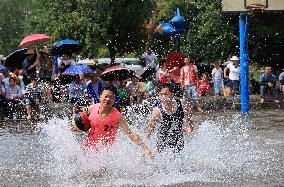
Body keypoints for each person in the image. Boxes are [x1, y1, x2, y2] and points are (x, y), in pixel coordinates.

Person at [71, 85, 154, 158]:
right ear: (100, 96)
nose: (108, 99)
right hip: (88, 148)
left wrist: (146, 149)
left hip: (104, 154)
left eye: (112, 97)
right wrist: (73, 126)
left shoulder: (118, 116)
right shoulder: (92, 108)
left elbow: (131, 134)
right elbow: (80, 118)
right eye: (106, 96)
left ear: (114, 99)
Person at [145, 83, 193, 153]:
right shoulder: (157, 112)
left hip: (178, 140)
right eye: (161, 94)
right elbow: (148, 131)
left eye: (165, 94)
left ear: (172, 94)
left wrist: (191, 127)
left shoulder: (182, 104)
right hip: (163, 143)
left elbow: (189, 113)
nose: (163, 97)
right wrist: (146, 149)